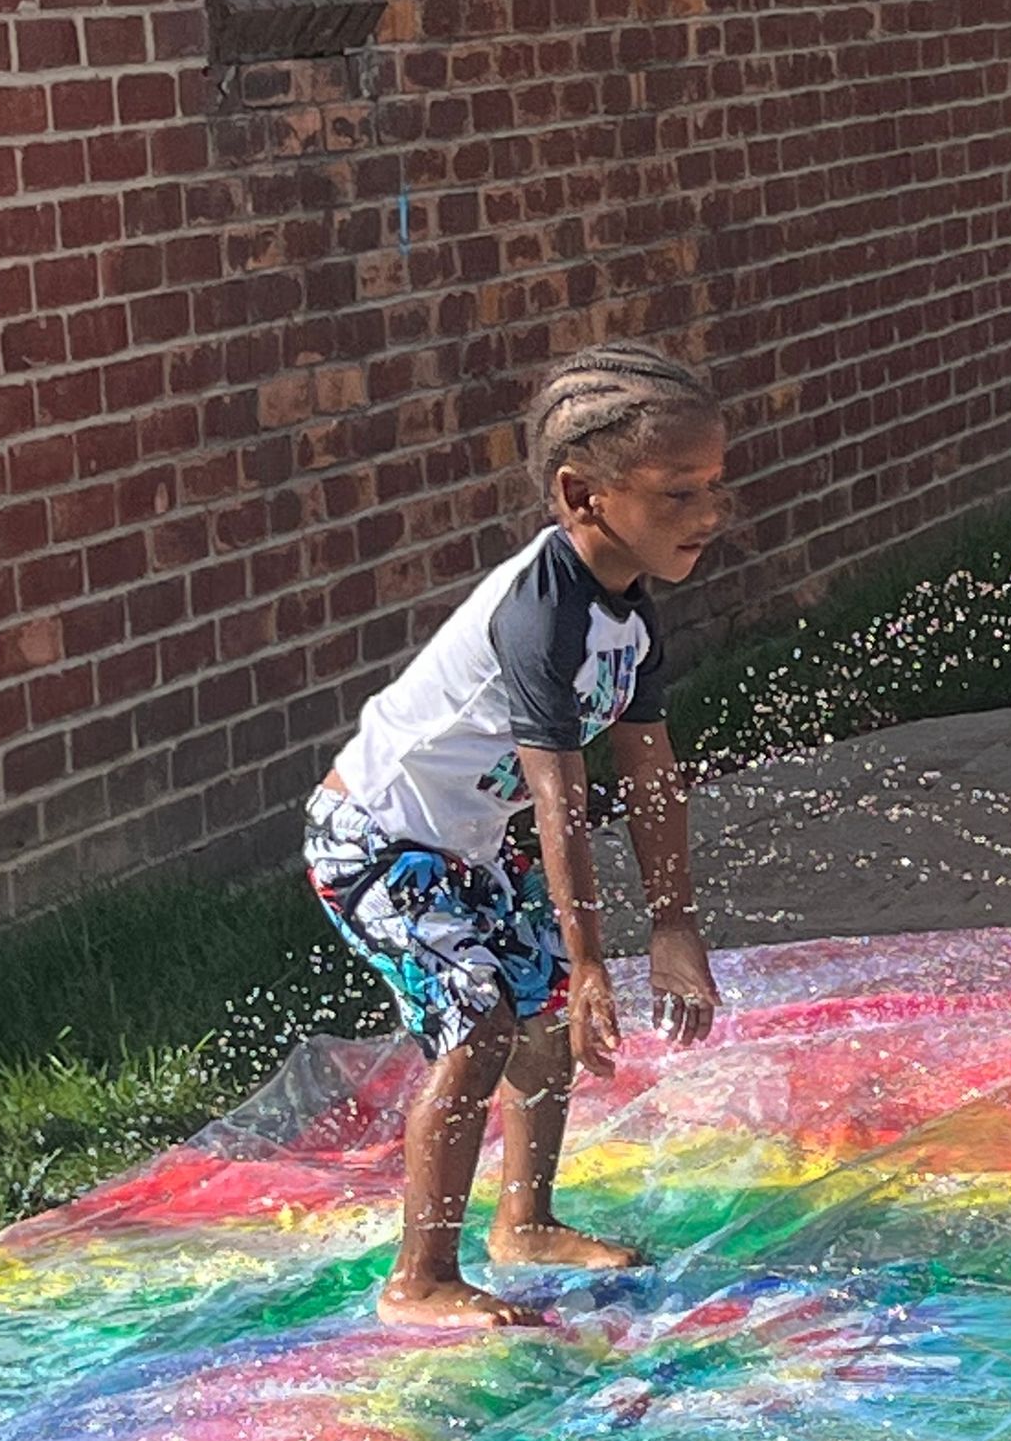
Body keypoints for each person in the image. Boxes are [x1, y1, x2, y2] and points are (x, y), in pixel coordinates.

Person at [304, 342, 726, 1330]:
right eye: (677, 493)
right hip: (378, 839)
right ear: (583, 494)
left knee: (538, 1026)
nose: (708, 515)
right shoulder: (543, 614)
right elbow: (559, 799)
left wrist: (672, 921)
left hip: (473, 840)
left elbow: (650, 770)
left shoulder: (628, 610)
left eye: (714, 486)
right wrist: (590, 961)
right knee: (481, 1020)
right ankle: (420, 1278)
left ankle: (524, 1221)